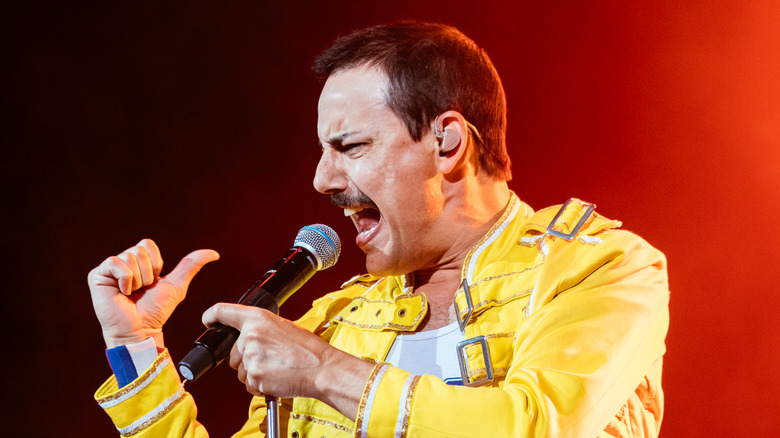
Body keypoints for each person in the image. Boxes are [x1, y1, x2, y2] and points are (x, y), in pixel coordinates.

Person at [89, 22, 669, 437]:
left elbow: (540, 426)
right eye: (322, 150)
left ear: (447, 142)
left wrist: (321, 371)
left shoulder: (602, 268)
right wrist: (133, 351)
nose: (321, 179)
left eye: (351, 147)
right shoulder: (335, 323)